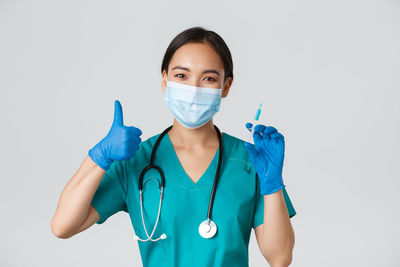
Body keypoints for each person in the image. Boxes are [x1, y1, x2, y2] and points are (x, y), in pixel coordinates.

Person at [51, 26, 296, 267]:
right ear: (164, 80)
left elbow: (280, 258)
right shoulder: (136, 161)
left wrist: (272, 184)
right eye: (181, 76)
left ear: (226, 87)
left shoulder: (250, 161)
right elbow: (63, 226)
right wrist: (99, 157)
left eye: (209, 78)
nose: (194, 88)